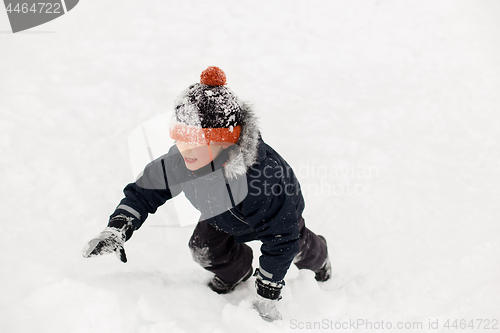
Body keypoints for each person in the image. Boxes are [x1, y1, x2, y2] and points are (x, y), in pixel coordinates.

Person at [82, 66, 331, 321]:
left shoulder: (260, 177)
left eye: (196, 141)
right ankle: (237, 271)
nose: (185, 148)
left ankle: (321, 258)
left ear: (224, 140)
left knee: (297, 247)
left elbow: (280, 239)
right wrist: (118, 227)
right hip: (221, 214)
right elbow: (146, 190)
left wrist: (267, 294)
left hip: (276, 216)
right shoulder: (182, 159)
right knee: (203, 249)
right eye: (180, 138)